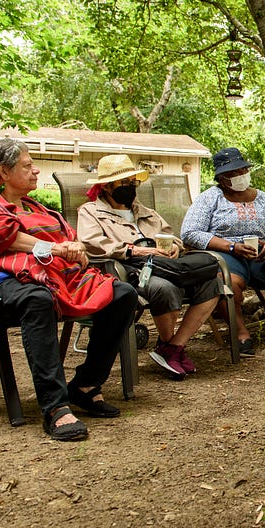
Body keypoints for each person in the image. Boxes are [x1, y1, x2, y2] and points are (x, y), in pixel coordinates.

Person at [0, 138, 138, 441]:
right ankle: (55, 407)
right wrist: (57, 248)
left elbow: (70, 242)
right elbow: (5, 237)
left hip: (57, 276)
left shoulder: (38, 208)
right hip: (2, 278)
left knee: (123, 294)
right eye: (27, 165)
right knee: (37, 298)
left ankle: (85, 386)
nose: (35, 170)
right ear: (3, 172)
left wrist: (75, 250)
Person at [77, 154, 223, 380]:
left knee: (212, 280)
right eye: (123, 183)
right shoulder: (90, 212)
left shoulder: (144, 210)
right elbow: (92, 243)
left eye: (133, 182)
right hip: (127, 270)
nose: (130, 187)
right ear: (106, 187)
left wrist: (174, 246)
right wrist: (135, 250)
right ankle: (170, 347)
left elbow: (169, 234)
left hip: (166, 264)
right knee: (164, 288)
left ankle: (173, 347)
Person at [180, 147, 265, 355]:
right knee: (226, 280)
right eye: (232, 174)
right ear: (221, 179)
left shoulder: (264, 198)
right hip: (226, 253)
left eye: (241, 171)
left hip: (262, 253)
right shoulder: (209, 198)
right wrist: (231, 246)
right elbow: (189, 233)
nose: (239, 176)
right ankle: (240, 332)